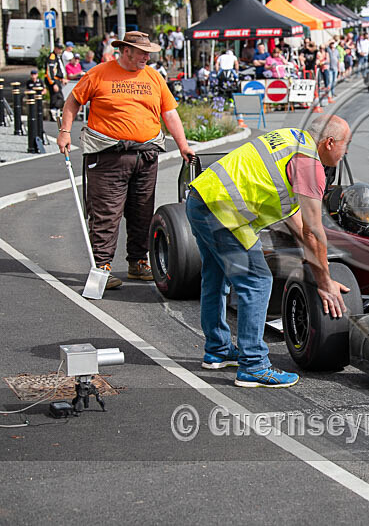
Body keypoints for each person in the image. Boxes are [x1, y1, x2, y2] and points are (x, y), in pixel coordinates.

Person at [185, 115, 351, 388]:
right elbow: (313, 231)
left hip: (200, 199)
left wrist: (319, 268)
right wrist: (325, 283)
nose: (346, 152)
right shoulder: (310, 167)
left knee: (215, 279)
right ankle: (253, 365)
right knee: (257, 281)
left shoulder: (290, 139)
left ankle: (218, 350)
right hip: (224, 212)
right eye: (346, 144)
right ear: (329, 143)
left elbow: (297, 221)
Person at [56, 31, 193, 289]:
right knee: (106, 213)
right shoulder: (98, 73)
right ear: (125, 50)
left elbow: (170, 113)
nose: (146, 57)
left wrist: (183, 145)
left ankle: (138, 262)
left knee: (142, 212)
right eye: (142, 52)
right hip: (108, 156)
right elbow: (73, 101)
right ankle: (103, 266)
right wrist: (65, 131)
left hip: (146, 155)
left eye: (148, 52)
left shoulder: (154, 77)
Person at [45, 42, 67, 119]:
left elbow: (58, 70)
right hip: (54, 80)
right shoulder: (52, 57)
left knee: (57, 97)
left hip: (57, 79)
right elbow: (49, 71)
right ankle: (53, 111)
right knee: (58, 97)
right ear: (55, 48)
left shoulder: (57, 56)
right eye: (59, 48)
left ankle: (55, 111)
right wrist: (53, 83)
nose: (60, 50)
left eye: (61, 49)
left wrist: (62, 78)